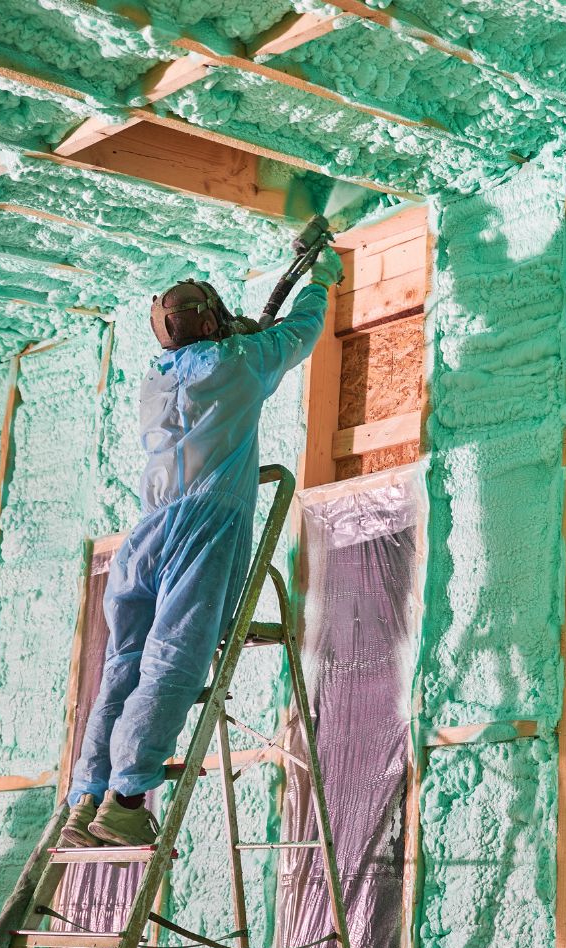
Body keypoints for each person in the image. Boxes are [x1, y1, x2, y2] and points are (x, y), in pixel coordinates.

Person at [59, 247, 344, 847]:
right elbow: (300, 332)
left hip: (144, 537)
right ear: (214, 322)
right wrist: (320, 280)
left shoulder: (155, 380)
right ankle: (127, 799)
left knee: (124, 666)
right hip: (203, 526)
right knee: (175, 660)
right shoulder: (239, 363)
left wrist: (232, 331)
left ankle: (87, 796)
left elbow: (209, 354)